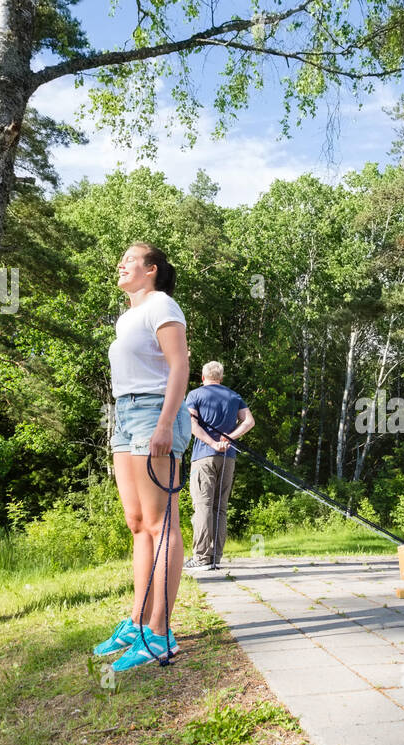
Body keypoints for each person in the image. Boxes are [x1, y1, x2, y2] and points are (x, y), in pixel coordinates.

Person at [92, 242, 192, 671]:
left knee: (160, 521)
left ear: (151, 269)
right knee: (137, 524)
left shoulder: (162, 305)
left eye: (130, 259)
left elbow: (180, 366)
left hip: (155, 411)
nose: (121, 263)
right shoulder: (126, 316)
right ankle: (137, 621)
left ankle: (159, 632)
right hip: (125, 414)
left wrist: (166, 423)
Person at [183, 361, 254, 572]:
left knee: (203, 506)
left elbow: (191, 423)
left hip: (204, 457)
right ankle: (215, 556)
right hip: (228, 457)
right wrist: (229, 438)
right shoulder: (234, 396)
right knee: (220, 507)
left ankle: (201, 558)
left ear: (203, 378)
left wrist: (213, 443)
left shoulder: (195, 395)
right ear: (221, 378)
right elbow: (249, 422)